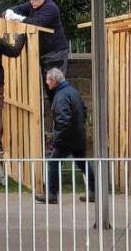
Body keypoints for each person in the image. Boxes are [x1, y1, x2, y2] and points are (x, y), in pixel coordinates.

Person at [37, 68, 94, 204]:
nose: (46, 82)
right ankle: (95, 191)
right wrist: (79, 126)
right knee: (82, 162)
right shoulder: (72, 91)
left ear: (54, 81)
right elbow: (84, 110)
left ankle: (52, 194)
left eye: (48, 79)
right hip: (78, 134)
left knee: (53, 162)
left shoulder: (61, 95)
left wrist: (57, 140)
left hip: (67, 137)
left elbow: (63, 120)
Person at [10, 0, 70, 74]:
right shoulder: (32, 5)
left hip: (55, 53)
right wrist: (9, 12)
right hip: (43, 52)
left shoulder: (51, 8)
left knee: (55, 82)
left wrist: (19, 19)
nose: (31, 2)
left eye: (34, 0)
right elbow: (19, 8)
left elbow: (38, 23)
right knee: (47, 83)